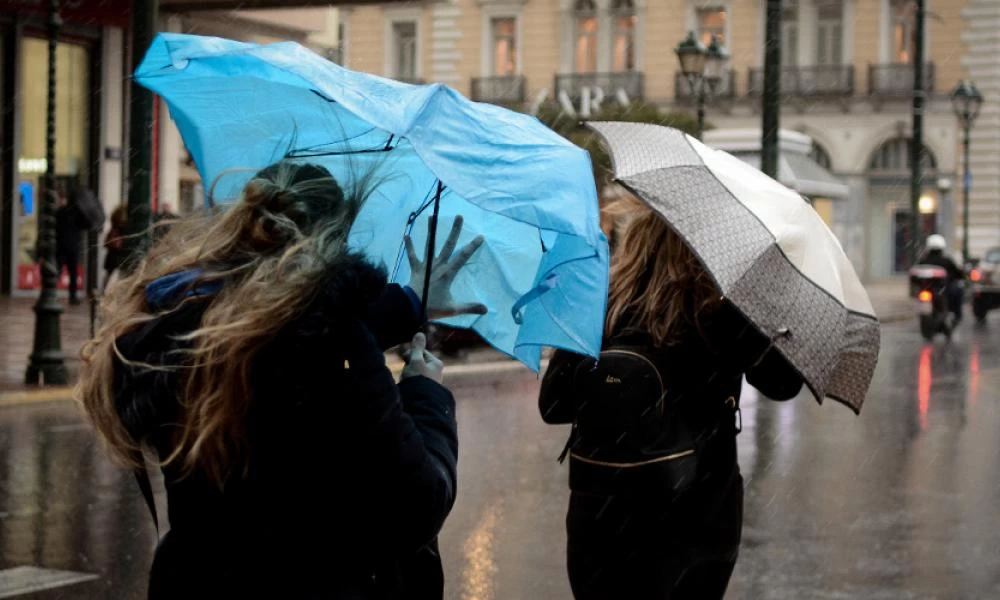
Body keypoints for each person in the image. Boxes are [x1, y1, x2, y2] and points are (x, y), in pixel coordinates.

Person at [77, 160, 485, 599]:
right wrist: (426, 393)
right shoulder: (322, 347)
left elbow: (283, 328)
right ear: (334, 239)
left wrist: (410, 302)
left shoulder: (185, 319)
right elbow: (417, 504)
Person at [538, 198, 803, 600]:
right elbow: (784, 384)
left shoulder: (601, 302)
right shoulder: (719, 308)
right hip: (695, 519)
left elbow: (553, 406)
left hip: (600, 520)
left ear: (637, 239)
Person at [918, 233, 964, 322]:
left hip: (930, 290)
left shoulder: (923, 261)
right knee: (958, 291)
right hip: (941, 290)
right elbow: (958, 274)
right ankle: (957, 314)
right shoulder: (946, 261)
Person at [55, 188, 85, 305]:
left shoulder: (64, 212)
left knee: (64, 271)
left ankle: (69, 295)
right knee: (69, 272)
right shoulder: (75, 213)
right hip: (68, 246)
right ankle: (72, 296)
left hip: (65, 246)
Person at [103, 206, 128, 292]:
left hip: (112, 259)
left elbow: (106, 243)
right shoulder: (122, 229)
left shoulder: (114, 227)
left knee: (109, 281)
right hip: (118, 259)